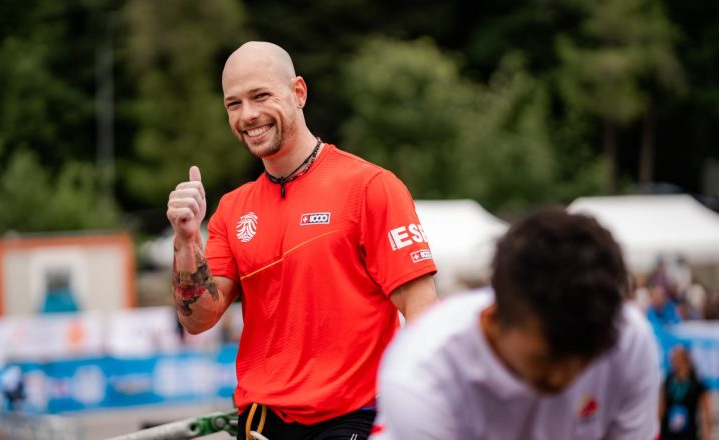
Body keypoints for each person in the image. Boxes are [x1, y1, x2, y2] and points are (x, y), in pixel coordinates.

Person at [166, 41, 438, 440]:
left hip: (353, 418)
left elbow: (423, 313)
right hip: (261, 423)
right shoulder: (233, 208)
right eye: (234, 104)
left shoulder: (370, 187)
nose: (249, 115)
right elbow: (198, 319)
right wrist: (186, 241)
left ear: (298, 92)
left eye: (260, 96)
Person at [372, 208, 661, 439]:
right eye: (545, 359)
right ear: (493, 320)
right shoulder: (422, 373)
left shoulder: (628, 339)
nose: (563, 378)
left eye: (584, 359)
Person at [660, 345, 713, 440]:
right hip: (668, 433)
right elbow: (661, 408)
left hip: (689, 433)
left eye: (676, 357)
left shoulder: (696, 381)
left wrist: (707, 434)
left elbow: (707, 412)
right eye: (672, 357)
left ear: (685, 359)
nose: (673, 360)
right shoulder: (668, 379)